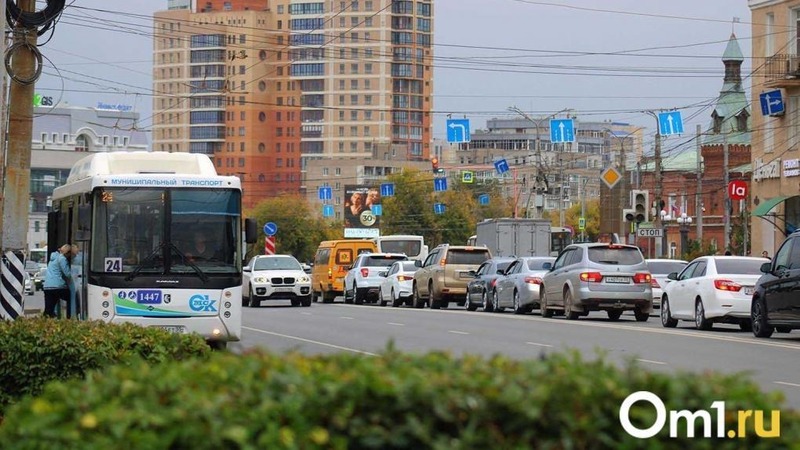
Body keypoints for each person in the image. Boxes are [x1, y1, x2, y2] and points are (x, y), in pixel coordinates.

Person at [42, 244, 73, 318]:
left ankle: (46, 320)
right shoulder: (62, 258)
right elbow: (67, 273)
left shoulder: (53, 258)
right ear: (67, 252)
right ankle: (69, 317)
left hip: (47, 287)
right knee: (71, 298)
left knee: (48, 308)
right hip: (58, 286)